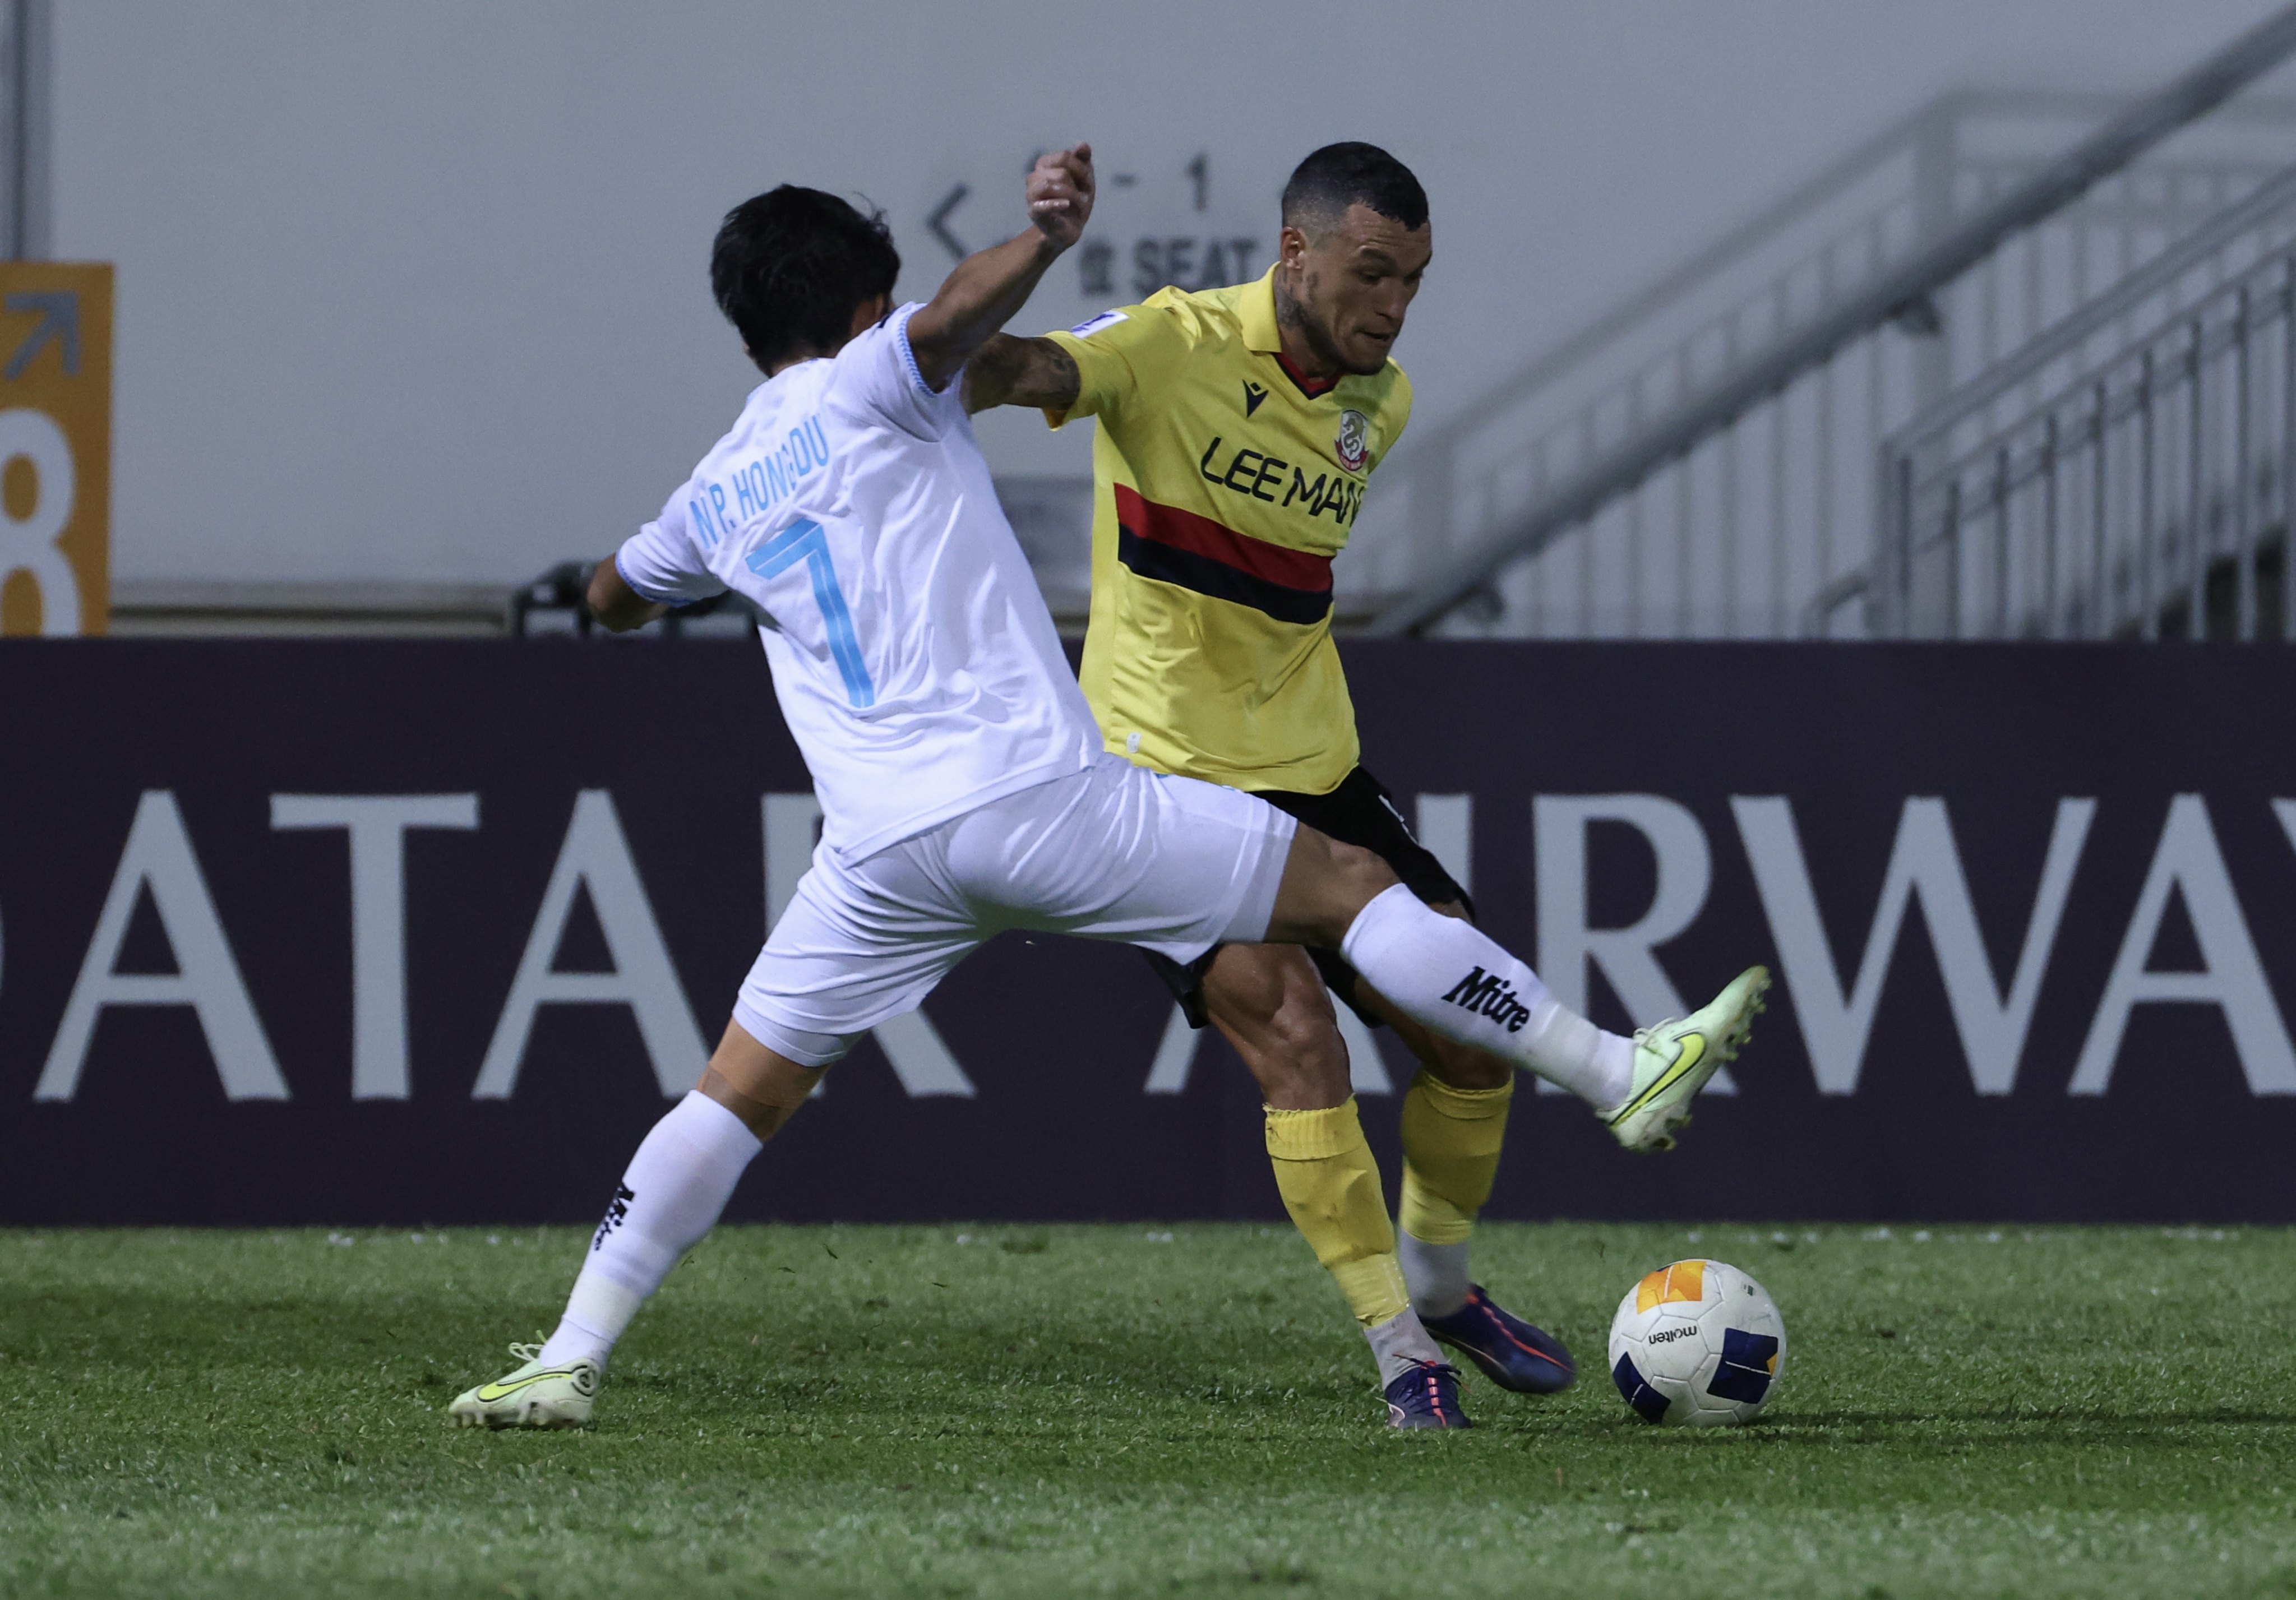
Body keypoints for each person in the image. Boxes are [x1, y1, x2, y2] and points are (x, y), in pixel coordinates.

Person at [448, 145, 1766, 1434]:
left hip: (875, 856)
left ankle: (565, 1358)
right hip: (1039, 798)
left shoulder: (714, 490)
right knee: (1351, 889)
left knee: (731, 1098)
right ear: (865, 307)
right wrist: (1046, 237)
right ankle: (1610, 1068)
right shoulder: (879, 378)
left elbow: (618, 591)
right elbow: (964, 318)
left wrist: (620, 597)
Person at [963, 142, 1755, 1402]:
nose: (1391, 306)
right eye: (1370, 272)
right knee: (1294, 1032)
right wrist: (1031, 257)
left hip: (1317, 770)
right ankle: (1398, 1349)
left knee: (1470, 1045)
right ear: (1295, 251)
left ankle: (1444, 1290)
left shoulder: (1372, 405)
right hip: (1167, 787)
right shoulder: (1168, 344)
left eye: (1413, 281)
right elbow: (1010, 371)